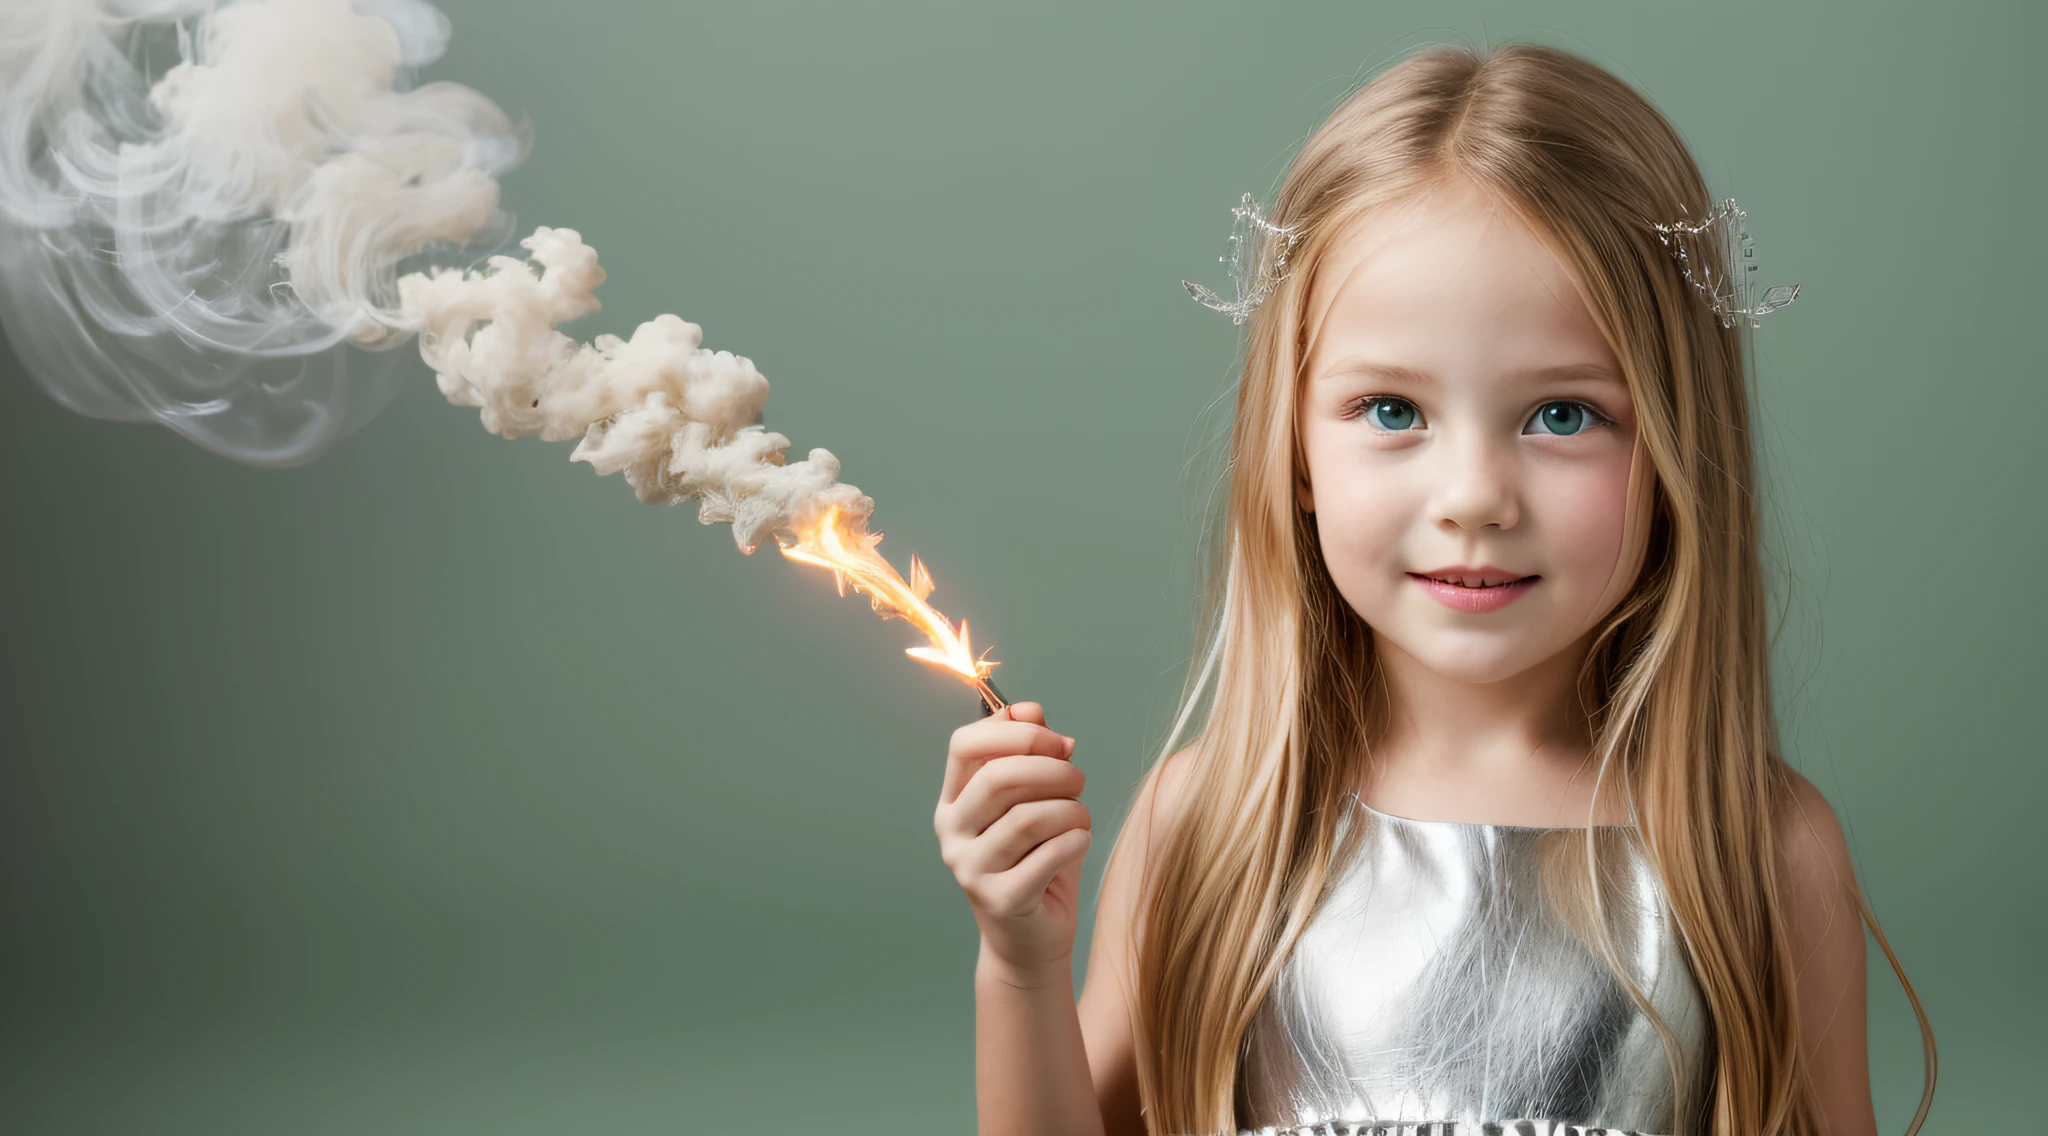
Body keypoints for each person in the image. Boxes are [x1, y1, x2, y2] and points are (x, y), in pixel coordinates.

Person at [930, 41, 1935, 1136]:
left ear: (1678, 447)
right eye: (1392, 411)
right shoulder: (1208, 824)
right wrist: (1019, 968)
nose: (1473, 497)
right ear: (1295, 453)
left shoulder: (1759, 848)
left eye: (1561, 414)